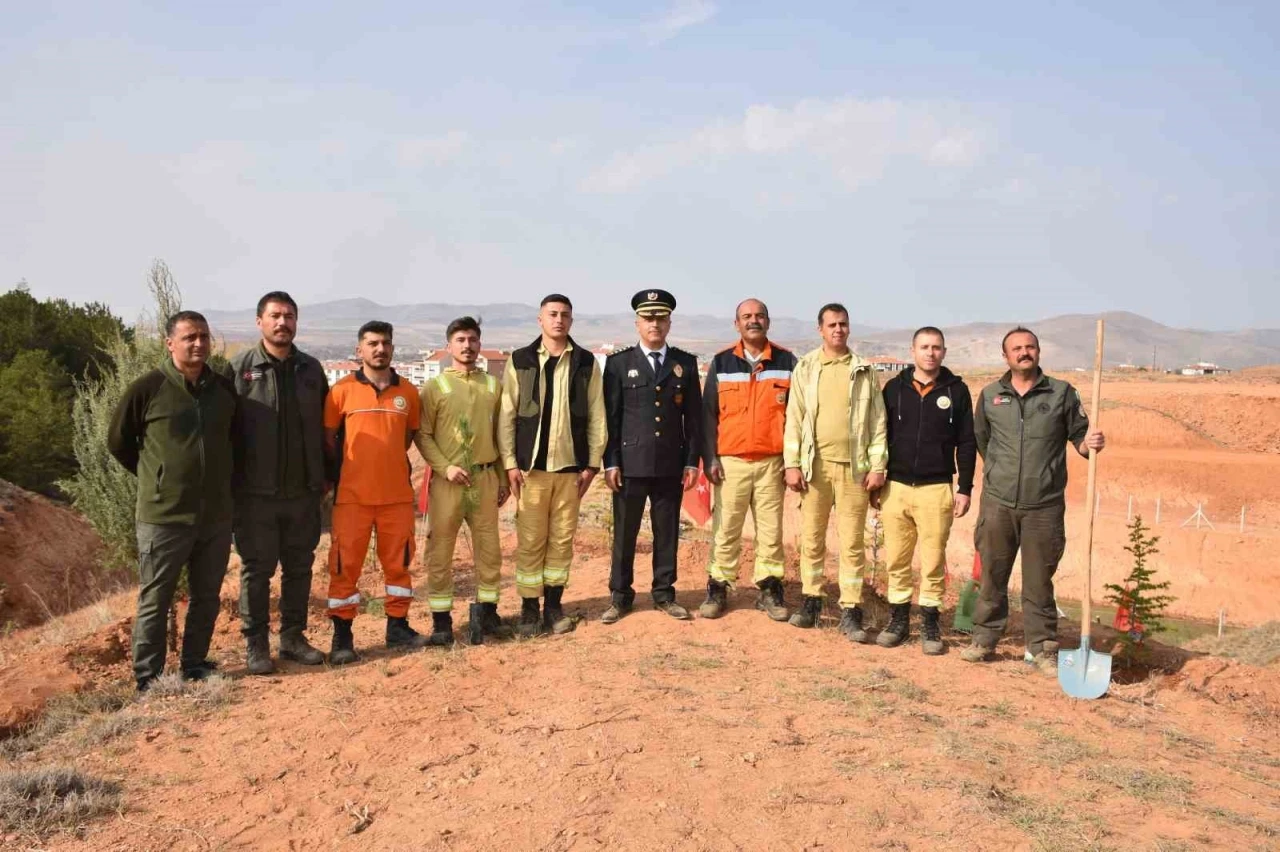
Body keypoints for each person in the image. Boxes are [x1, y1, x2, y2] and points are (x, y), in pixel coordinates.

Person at [108, 311, 239, 692]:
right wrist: (156, 479)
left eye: (203, 337)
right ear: (170, 344)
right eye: (189, 337)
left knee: (207, 596)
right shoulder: (147, 388)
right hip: (163, 517)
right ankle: (148, 678)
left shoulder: (223, 389)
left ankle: (195, 665)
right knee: (156, 597)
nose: (198, 344)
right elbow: (118, 442)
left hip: (215, 516)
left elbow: (235, 440)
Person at [961, 326, 1105, 673]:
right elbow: (982, 440)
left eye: (1030, 347)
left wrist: (1091, 444)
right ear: (1005, 356)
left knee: (1039, 581)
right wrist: (1003, 473)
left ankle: (1041, 648)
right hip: (998, 503)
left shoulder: (1061, 393)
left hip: (1044, 507)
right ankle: (984, 639)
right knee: (992, 574)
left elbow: (1080, 440)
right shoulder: (991, 395)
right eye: (1017, 348)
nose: (1024, 352)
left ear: (1038, 352)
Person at [224, 291, 328, 674]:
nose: (282, 322)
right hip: (255, 495)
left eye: (289, 316)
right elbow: (223, 430)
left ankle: (293, 638)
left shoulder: (311, 370)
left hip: (303, 492)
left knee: (299, 569)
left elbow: (327, 429)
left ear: (296, 322)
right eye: (275, 316)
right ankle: (256, 646)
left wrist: (325, 478)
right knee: (256, 571)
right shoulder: (239, 369)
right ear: (260, 322)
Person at [498, 295, 607, 638]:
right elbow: (506, 414)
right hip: (530, 473)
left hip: (571, 472)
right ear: (540, 320)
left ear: (571, 321)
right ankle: (530, 610)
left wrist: (591, 465)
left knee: (561, 541)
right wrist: (510, 464)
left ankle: (554, 607)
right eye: (553, 314)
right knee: (531, 542)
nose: (559, 320)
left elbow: (597, 415)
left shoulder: (586, 362)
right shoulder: (521, 360)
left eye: (565, 315)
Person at [324, 321, 428, 662]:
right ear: (360, 350)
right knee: (344, 567)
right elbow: (329, 440)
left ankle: (398, 627)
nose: (379, 349)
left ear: (392, 348)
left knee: (399, 566)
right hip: (351, 498)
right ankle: (342, 637)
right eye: (372, 343)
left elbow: (408, 437)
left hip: (396, 497)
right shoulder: (341, 391)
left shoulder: (408, 393)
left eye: (385, 343)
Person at [782, 303, 887, 636]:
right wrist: (792, 463)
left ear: (849, 328)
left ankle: (851, 609)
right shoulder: (807, 367)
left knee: (852, 542)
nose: (838, 329)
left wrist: (878, 466)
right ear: (820, 329)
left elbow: (878, 422)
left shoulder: (864, 370)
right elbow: (794, 418)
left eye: (843, 324)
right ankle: (812, 601)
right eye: (832, 325)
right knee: (812, 539)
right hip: (815, 469)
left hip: (855, 471)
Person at [601, 290, 703, 623]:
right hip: (630, 466)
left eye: (661, 318)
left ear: (669, 323)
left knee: (667, 532)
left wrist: (691, 461)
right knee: (624, 533)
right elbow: (611, 418)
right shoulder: (619, 364)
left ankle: (664, 593)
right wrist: (611, 462)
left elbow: (694, 419)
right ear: (637, 323)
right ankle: (620, 596)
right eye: (648, 318)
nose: (654, 324)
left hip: (670, 464)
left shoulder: (684, 364)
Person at [874, 326, 976, 655]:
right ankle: (899, 620)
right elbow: (878, 436)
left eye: (936, 347)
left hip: (936, 488)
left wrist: (965, 487)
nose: (930, 353)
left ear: (943, 352)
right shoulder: (893, 389)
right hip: (896, 487)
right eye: (924, 347)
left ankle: (930, 621)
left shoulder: (957, 391)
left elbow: (967, 442)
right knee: (897, 559)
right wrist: (876, 477)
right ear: (913, 351)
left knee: (933, 560)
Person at [414, 316, 513, 645]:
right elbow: (423, 435)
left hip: (485, 479)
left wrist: (502, 478)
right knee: (440, 551)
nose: (467, 345)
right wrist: (445, 468)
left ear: (480, 344)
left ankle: (488, 614)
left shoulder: (492, 386)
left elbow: (500, 436)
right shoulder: (435, 387)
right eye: (460, 340)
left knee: (490, 550)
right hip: (448, 483)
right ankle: (442, 623)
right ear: (448, 346)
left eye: (472, 339)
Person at [698, 298, 795, 621]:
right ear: (736, 323)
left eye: (759, 316)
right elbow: (708, 415)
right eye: (747, 316)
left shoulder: (786, 362)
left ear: (768, 321)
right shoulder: (722, 362)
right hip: (731, 463)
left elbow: (796, 416)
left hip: (772, 463)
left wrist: (791, 461)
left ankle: (770, 589)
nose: (753, 321)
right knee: (726, 529)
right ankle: (718, 587)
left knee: (770, 532)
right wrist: (710, 458)